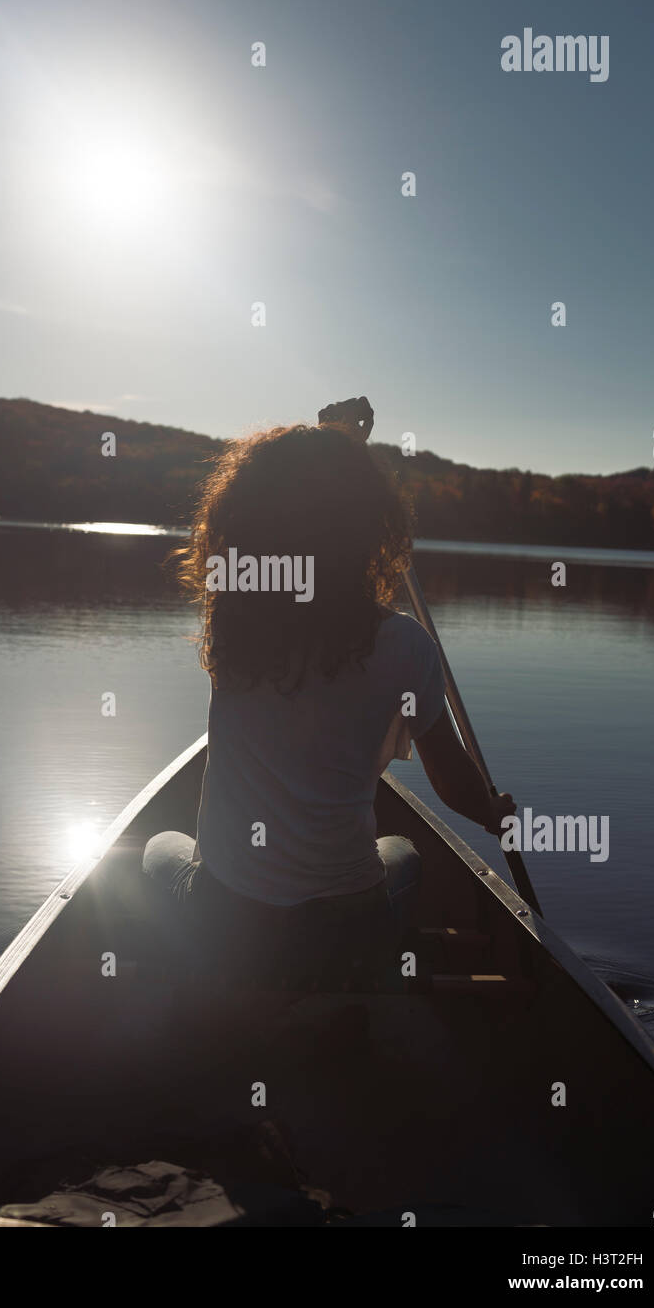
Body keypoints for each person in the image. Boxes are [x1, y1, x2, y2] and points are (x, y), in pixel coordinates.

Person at [142, 397, 515, 986]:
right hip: (346, 931)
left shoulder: (233, 623)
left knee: (160, 846)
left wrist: (327, 450)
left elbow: (289, 513)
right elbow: (454, 785)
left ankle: (206, 979)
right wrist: (495, 816)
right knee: (404, 854)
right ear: (369, 525)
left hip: (230, 924)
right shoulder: (406, 646)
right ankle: (349, 984)